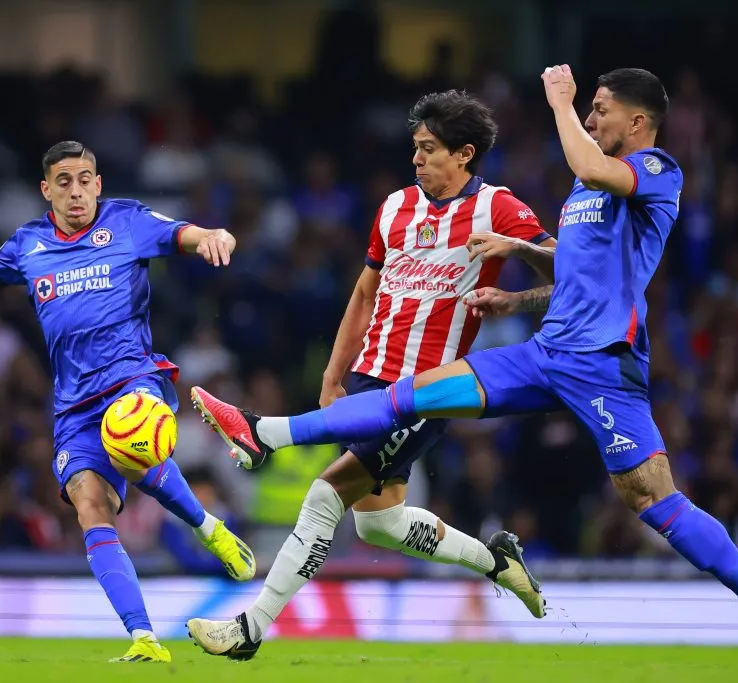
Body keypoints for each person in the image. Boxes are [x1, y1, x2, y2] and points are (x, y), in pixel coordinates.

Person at [187, 68, 738, 668]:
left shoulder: (653, 169)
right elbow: (571, 274)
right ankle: (264, 433)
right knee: (414, 404)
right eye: (587, 107)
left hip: (602, 367)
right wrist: (515, 292)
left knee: (651, 499)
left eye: (601, 108)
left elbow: (589, 169)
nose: (590, 116)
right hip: (544, 354)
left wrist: (561, 105)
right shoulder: (581, 191)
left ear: (638, 119)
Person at [184, 90, 557, 660]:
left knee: (324, 495)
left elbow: (569, 269)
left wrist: (513, 258)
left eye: (430, 149)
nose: (417, 158)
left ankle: (251, 627)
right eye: (415, 148)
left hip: (426, 390)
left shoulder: (499, 208)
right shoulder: (393, 208)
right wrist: (335, 374)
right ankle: (496, 560)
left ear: (465, 154)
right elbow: (365, 293)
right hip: (366, 381)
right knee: (378, 527)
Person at [0, 141, 256, 664]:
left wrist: (213, 234)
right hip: (73, 406)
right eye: (65, 181)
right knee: (90, 507)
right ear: (46, 189)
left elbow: (187, 234)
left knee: (133, 441)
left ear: (98, 184)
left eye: (85, 179)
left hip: (131, 380)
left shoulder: (127, 221)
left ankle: (208, 530)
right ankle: (144, 636)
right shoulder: (28, 245)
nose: (76, 191)